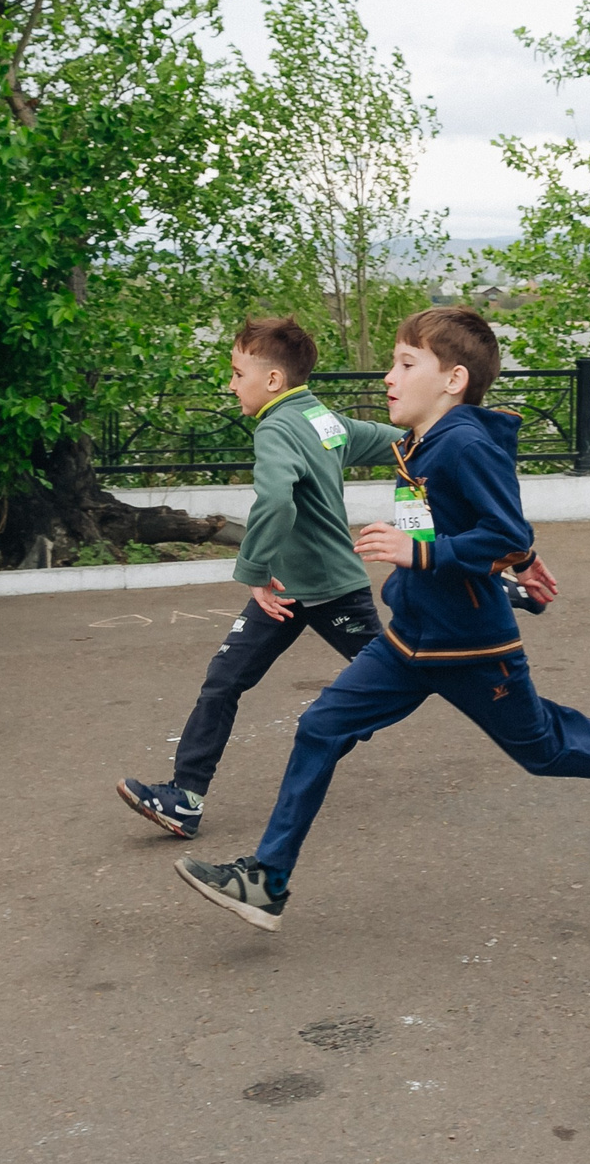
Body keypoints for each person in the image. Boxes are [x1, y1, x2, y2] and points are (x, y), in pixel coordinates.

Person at [172, 307, 590, 932]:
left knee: (542, 748)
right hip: (409, 639)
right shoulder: (419, 443)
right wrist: (515, 565)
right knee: (320, 727)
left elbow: (503, 529)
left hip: (468, 646)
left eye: (406, 364)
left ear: (453, 380)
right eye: (392, 363)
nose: (388, 376)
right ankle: (267, 880)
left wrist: (431, 554)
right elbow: (483, 530)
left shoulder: (464, 443)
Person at [117, 317, 401, 838]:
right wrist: (452, 434)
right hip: (287, 592)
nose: (231, 385)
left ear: (273, 380)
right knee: (224, 679)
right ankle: (184, 799)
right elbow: (395, 442)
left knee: (402, 674)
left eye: (237, 373)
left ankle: (486, 684)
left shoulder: (278, 427)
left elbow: (276, 502)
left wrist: (252, 569)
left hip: (328, 589)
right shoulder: (319, 417)